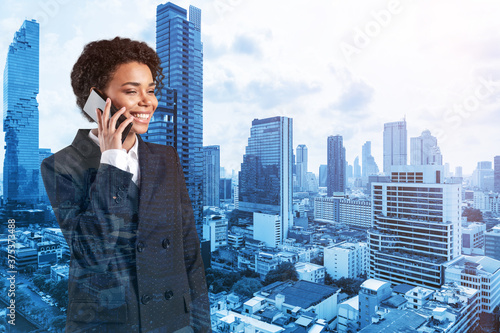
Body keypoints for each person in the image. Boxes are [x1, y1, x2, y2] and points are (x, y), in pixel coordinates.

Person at [41, 37, 211, 333]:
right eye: (132, 91)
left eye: (151, 91)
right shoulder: (62, 166)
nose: (148, 102)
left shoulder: (166, 157)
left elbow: (189, 251)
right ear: (97, 100)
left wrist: (201, 327)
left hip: (174, 320)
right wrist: (112, 161)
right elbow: (92, 254)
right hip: (110, 324)